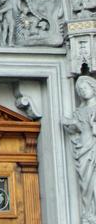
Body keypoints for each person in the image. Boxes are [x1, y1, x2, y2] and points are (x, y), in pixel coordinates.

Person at [64, 76, 96, 223]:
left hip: (93, 147)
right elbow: (77, 129)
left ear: (93, 88)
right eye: (80, 90)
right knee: (86, 180)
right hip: (82, 148)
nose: (83, 92)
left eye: (85, 88)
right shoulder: (79, 111)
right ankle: (88, 212)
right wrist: (72, 125)